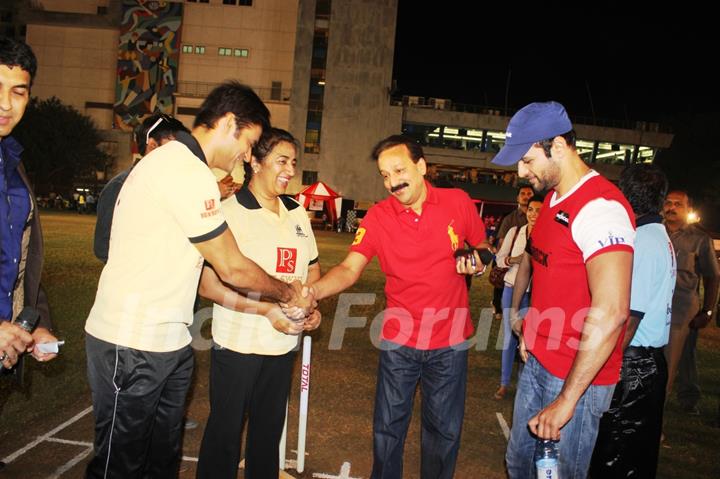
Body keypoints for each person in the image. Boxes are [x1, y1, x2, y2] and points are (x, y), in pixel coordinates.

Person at [84, 82, 314, 479]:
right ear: (228, 123)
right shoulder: (182, 169)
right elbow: (231, 267)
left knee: (161, 459)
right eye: (249, 141)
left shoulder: (187, 168)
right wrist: (287, 293)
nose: (247, 154)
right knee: (119, 465)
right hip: (131, 341)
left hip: (168, 341)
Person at [308, 135, 487, 479]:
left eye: (399, 170)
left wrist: (478, 260)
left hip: (449, 342)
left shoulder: (457, 202)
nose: (392, 182)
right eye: (385, 175)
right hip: (399, 341)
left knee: (444, 432)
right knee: (388, 429)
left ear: (421, 167)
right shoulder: (378, 217)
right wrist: (313, 291)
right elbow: (348, 269)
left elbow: (482, 243)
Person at [493, 101, 636, 479]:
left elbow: (612, 311)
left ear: (558, 146)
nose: (523, 173)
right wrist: (531, 327)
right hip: (540, 360)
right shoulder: (553, 198)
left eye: (527, 160)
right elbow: (544, 270)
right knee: (520, 466)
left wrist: (568, 400)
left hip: (576, 377)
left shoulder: (601, 207)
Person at [195, 128, 321, 478]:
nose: (290, 170)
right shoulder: (227, 212)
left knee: (267, 437)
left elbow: (311, 270)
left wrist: (311, 306)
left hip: (282, 347)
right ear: (254, 160)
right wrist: (266, 310)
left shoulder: (297, 213)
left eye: (294, 162)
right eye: (282, 161)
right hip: (238, 345)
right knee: (225, 435)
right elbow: (208, 285)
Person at [590, 164, 676, 478]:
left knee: (616, 455)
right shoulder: (655, 235)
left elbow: (627, 320)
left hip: (634, 368)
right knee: (634, 456)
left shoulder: (643, 243)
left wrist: (600, 366)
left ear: (625, 197)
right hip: (645, 365)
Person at [0, 37, 59, 471]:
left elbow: (21, 260)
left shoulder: (12, 161)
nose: (6, 103)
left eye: (18, 91)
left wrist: (36, 324)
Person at [93, 113, 190, 263]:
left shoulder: (171, 187)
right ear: (152, 145)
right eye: (176, 147)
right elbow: (103, 247)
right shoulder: (120, 187)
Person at [663, 190, 720, 415]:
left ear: (688, 210)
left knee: (678, 354)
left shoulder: (699, 239)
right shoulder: (654, 231)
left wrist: (707, 312)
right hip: (655, 303)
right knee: (680, 352)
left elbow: (712, 277)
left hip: (682, 306)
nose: (671, 207)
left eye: (678, 204)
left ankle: (673, 401)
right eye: (668, 202)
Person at [493, 194, 543, 400]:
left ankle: (524, 384)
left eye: (539, 210)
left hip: (536, 294)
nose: (533, 214)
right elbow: (499, 259)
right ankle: (504, 383)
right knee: (509, 337)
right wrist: (518, 259)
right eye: (531, 209)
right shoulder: (516, 232)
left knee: (531, 339)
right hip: (512, 289)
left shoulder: (548, 236)